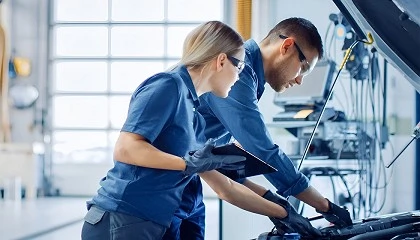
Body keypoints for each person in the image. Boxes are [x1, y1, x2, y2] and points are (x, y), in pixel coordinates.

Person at [81, 20, 303, 240]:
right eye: (240, 67)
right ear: (222, 61)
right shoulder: (168, 85)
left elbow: (224, 186)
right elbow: (126, 149)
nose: (239, 76)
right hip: (123, 217)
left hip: (152, 221)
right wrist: (187, 164)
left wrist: (282, 211)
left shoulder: (194, 111)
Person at [196, 17, 353, 234]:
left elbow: (216, 159)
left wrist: (274, 202)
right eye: (304, 67)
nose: (300, 80)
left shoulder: (248, 76)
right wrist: (324, 206)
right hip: (157, 189)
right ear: (287, 46)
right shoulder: (236, 71)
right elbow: (263, 151)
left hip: (187, 187)